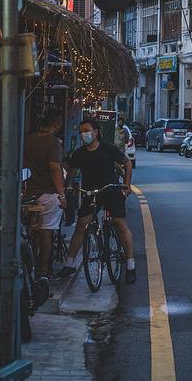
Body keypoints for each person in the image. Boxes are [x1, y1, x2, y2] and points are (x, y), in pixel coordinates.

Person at [60, 118, 137, 283]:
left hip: (111, 190)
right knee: (82, 224)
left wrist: (127, 185)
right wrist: (68, 187)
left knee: (119, 223)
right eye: (81, 132)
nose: (84, 135)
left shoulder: (108, 149)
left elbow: (127, 163)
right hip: (90, 193)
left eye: (86, 131)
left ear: (95, 132)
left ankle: (131, 264)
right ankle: (70, 263)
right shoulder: (79, 154)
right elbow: (72, 174)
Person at [23, 114, 66, 278]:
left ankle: (30, 265)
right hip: (48, 194)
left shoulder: (28, 140)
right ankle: (43, 269)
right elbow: (55, 169)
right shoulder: (53, 143)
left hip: (30, 193)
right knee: (47, 232)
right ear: (55, 124)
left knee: (32, 230)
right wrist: (62, 195)